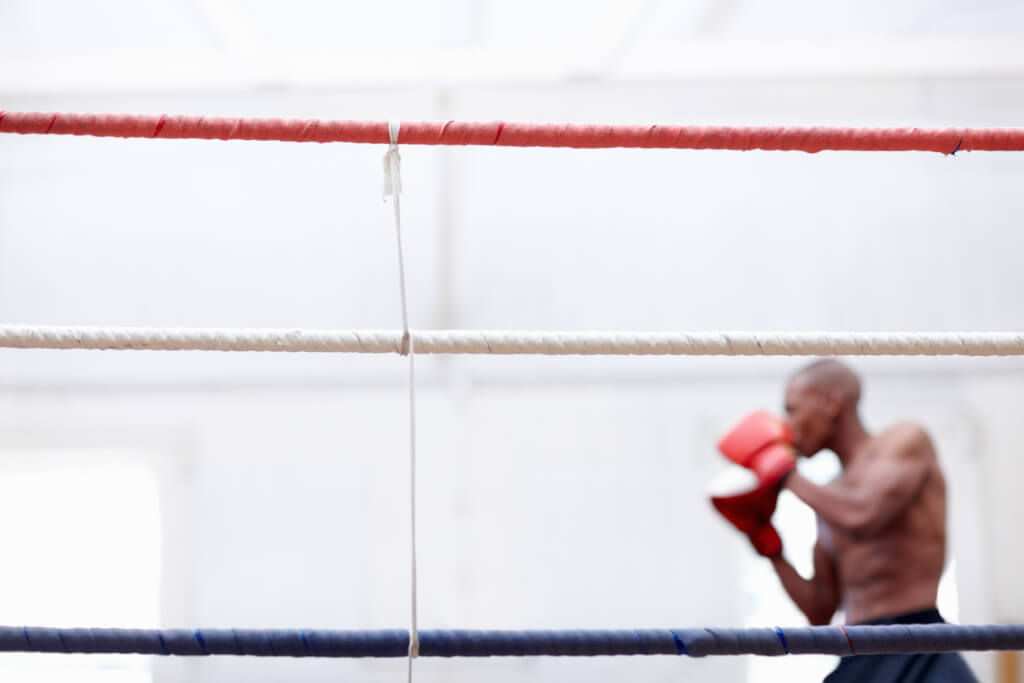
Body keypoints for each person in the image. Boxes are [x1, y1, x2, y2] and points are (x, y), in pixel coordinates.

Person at [711, 359, 977, 682]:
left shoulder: (906, 440)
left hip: (920, 643)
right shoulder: (828, 498)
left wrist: (782, 472)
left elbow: (863, 516)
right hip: (858, 651)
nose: (787, 426)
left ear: (831, 403)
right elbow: (820, 609)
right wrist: (767, 545)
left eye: (792, 410)